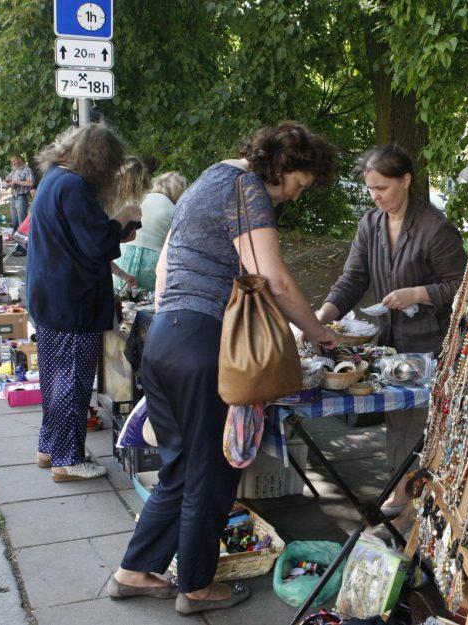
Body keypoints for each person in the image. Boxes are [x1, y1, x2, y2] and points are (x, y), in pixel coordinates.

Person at [111, 122, 339, 614]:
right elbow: (272, 279)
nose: (295, 198)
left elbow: (168, 266)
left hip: (163, 339)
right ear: (285, 165)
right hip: (202, 345)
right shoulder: (247, 189)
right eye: (299, 185)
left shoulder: (207, 179)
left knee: (178, 469)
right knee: (211, 474)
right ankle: (196, 588)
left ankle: (134, 569)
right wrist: (317, 332)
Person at [315, 144, 467, 517]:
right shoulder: (370, 223)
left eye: (382, 187)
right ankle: (403, 494)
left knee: (419, 423)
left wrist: (419, 293)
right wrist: (320, 317)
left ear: (406, 180)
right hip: (389, 344)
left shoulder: (435, 227)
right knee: (398, 421)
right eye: (370, 188)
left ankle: (414, 498)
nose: (376, 196)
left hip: (430, 343)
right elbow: (353, 278)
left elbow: (464, 286)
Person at [25, 124, 141, 482]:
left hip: (51, 296)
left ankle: (50, 447)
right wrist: (123, 217)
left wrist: (116, 230)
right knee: (72, 382)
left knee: (54, 379)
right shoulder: (73, 186)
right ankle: (67, 459)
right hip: (72, 300)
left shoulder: (54, 178)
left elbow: (80, 238)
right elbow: (96, 245)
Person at [112, 171, 188, 291]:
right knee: (148, 305)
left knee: (122, 303)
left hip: (123, 256)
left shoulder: (140, 199)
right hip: (153, 260)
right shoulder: (175, 209)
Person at [106, 156, 152, 290]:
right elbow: (95, 248)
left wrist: (125, 276)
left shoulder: (111, 206)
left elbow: (102, 254)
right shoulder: (103, 204)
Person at [6, 155, 34, 255]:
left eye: (14, 160)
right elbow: (7, 180)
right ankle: (18, 247)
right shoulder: (14, 170)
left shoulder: (27, 170)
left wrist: (17, 182)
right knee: (15, 224)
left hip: (21, 197)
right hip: (13, 197)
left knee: (22, 224)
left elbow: (30, 183)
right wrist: (6, 183)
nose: (13, 163)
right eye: (11, 161)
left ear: (19, 159)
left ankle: (23, 249)